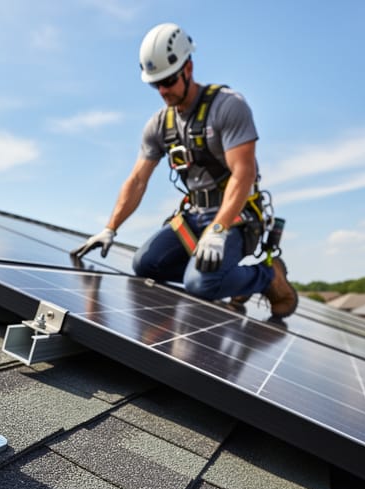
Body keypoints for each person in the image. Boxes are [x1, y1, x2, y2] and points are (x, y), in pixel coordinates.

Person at [72, 22, 298, 318]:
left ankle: (268, 277)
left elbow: (244, 174)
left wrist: (218, 229)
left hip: (236, 217)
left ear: (188, 68)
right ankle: (226, 278)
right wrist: (110, 228)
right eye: (156, 84)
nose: (163, 90)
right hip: (194, 216)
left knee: (199, 284)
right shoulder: (159, 125)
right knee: (144, 265)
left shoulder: (228, 106)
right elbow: (138, 180)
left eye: (168, 81)